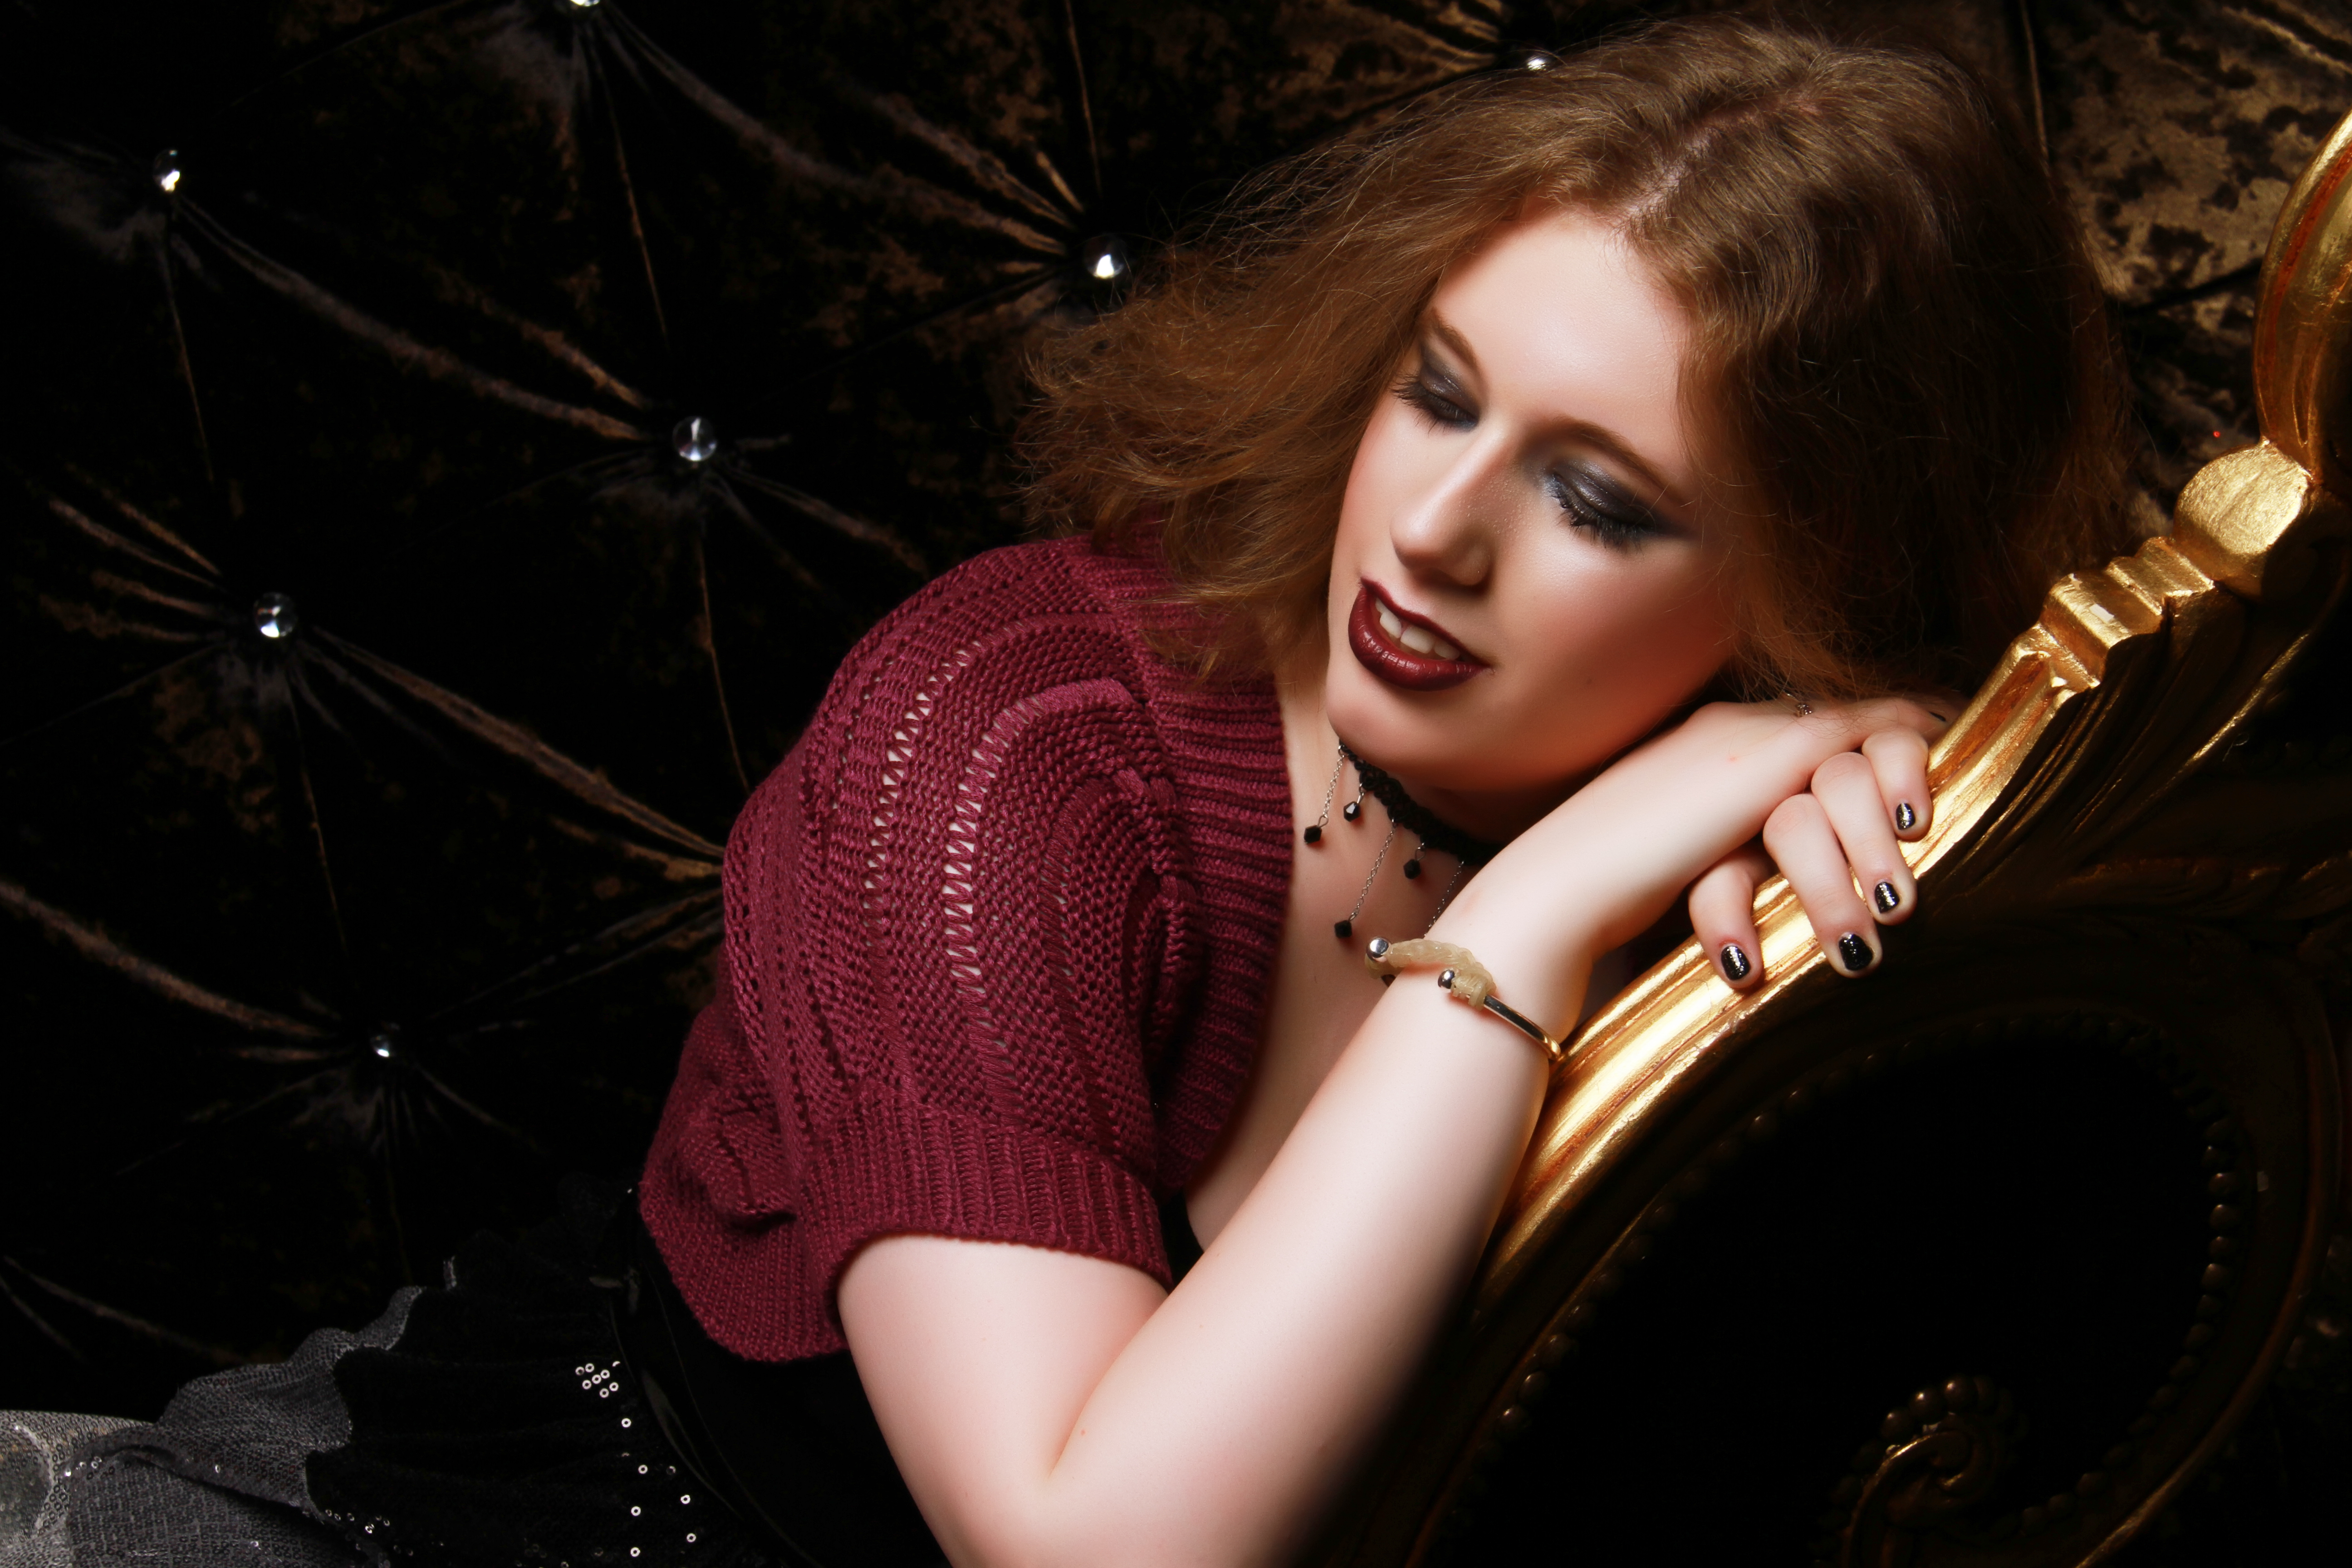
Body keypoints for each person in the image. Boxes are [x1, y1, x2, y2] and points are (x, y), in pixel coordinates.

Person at [4, 16, 2135, 1568]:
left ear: (1811, 605)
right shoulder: (1015, 726)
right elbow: (1095, 1550)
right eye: (1439, 389)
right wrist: (1520, 927)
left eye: (1597, 497)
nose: (1433, 531)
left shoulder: (1788, 841)